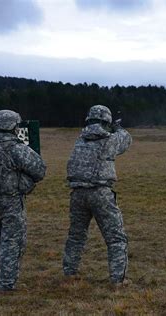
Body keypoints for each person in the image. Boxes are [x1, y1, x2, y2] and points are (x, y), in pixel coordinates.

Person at [0, 109, 46, 294]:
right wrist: (25, 182)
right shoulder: (17, 149)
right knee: (12, 242)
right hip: (12, 202)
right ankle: (7, 285)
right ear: (14, 126)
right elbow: (40, 170)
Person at [62, 105, 132, 286]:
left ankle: (69, 272)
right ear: (106, 121)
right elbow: (126, 140)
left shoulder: (80, 140)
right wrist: (118, 128)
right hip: (100, 193)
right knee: (116, 238)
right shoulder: (109, 140)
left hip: (77, 194)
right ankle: (118, 279)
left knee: (76, 236)